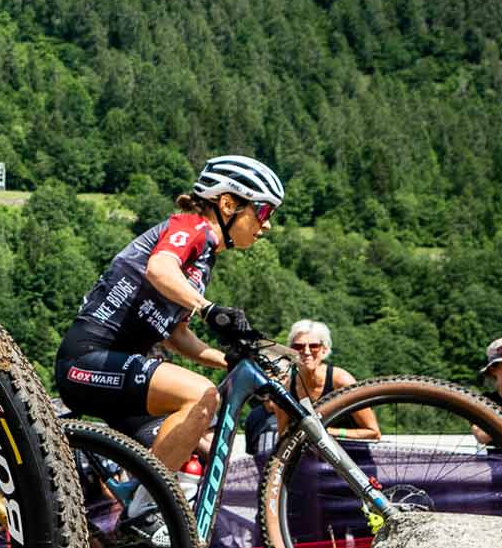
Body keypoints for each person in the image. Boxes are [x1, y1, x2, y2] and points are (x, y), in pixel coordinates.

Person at [54, 155, 285, 480]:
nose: (267, 224)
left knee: (187, 447)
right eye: (263, 212)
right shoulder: (192, 227)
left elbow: (177, 335)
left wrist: (229, 361)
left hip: (121, 371)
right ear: (228, 204)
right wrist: (208, 308)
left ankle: (137, 508)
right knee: (201, 395)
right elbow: (159, 268)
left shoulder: (203, 262)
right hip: (87, 361)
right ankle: (148, 502)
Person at [245, 319, 377, 462]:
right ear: (291, 352)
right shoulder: (286, 390)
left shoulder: (341, 381)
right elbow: (284, 439)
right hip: (311, 467)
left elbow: (373, 432)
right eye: (299, 347)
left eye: (314, 346)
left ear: (324, 350)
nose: (307, 352)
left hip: (354, 463)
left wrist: (328, 432)